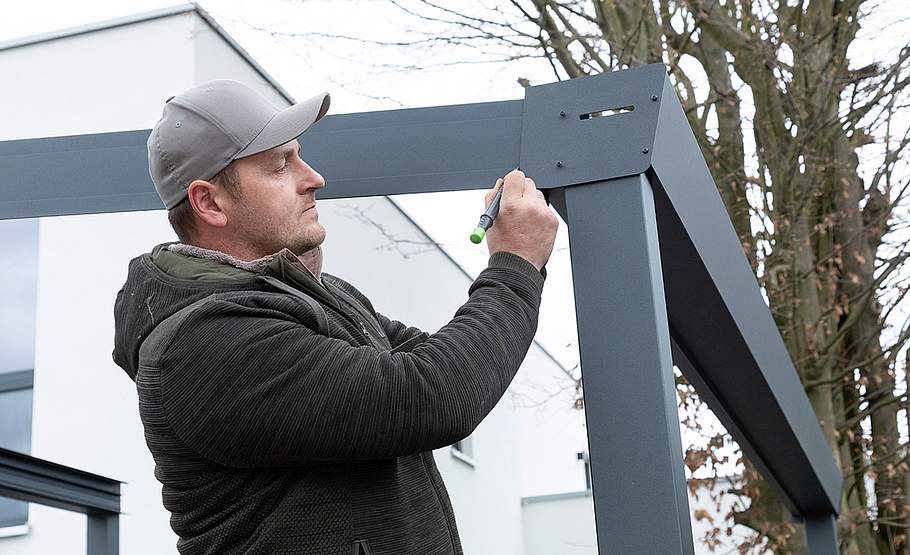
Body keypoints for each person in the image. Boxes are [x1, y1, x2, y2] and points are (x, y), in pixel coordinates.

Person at [112, 79, 558, 554]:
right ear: (209, 202)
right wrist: (516, 264)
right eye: (280, 165)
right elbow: (431, 395)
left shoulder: (319, 298)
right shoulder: (203, 345)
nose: (313, 177)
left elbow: (452, 363)